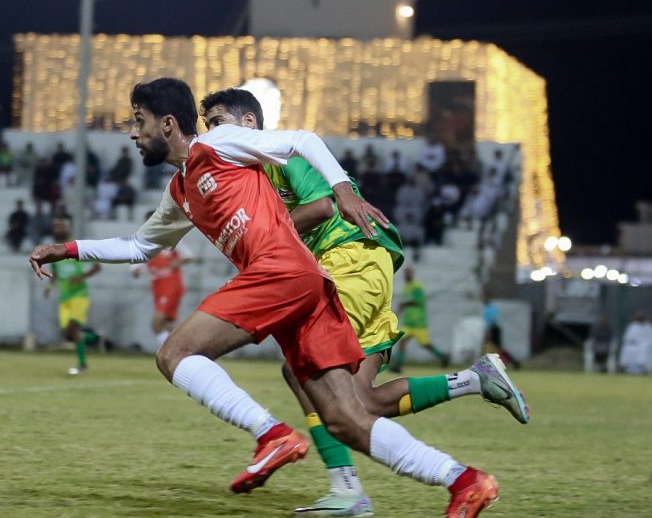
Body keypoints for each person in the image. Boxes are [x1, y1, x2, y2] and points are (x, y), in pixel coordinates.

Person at [30, 78, 501, 516]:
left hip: (281, 270)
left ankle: (271, 435)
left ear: (167, 123)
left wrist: (342, 190)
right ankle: (464, 480)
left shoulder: (217, 143)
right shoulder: (180, 192)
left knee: (174, 354)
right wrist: (67, 250)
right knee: (345, 419)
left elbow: (303, 141)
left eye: (139, 121)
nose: (133, 134)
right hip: (308, 284)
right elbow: (139, 246)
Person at [202, 87, 525, 514]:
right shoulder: (250, 177)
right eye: (206, 126)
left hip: (348, 260)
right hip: (364, 267)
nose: (210, 134)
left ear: (249, 123)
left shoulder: (278, 156)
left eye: (217, 123)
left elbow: (321, 207)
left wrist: (265, 239)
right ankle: (474, 379)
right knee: (361, 402)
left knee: (302, 370)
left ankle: (347, 489)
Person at [43, 214, 102, 375]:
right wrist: (49, 285)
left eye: (62, 226)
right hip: (64, 297)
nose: (59, 229)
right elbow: (55, 272)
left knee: (73, 329)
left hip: (79, 295)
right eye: (57, 227)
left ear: (68, 228)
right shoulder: (53, 251)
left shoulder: (77, 248)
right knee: (67, 335)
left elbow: (97, 267)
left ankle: (83, 366)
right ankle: (95, 338)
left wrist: (80, 277)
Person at [132, 211, 194, 351]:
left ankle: (169, 350)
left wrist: (178, 261)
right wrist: (135, 271)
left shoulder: (170, 237)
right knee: (168, 324)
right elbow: (135, 266)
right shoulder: (143, 242)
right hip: (157, 286)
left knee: (157, 323)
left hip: (172, 284)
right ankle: (179, 350)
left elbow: (188, 256)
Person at [390, 266, 451, 372]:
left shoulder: (417, 286)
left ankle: (442, 357)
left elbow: (419, 301)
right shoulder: (407, 287)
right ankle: (398, 365)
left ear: (412, 274)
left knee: (425, 344)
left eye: (409, 273)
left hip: (419, 322)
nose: (407, 275)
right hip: (409, 322)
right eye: (405, 273)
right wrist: (398, 311)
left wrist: (404, 304)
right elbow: (405, 303)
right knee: (402, 341)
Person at [482, 291, 521, 369]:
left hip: (493, 329)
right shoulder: (487, 308)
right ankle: (488, 364)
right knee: (492, 347)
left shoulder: (490, 308)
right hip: (492, 329)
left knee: (497, 348)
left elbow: (492, 320)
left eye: (484, 297)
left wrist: (488, 332)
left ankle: (513, 362)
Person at [619, 310, 652, 375]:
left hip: (644, 345)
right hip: (633, 345)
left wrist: (642, 343)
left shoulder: (649, 327)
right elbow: (627, 338)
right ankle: (627, 368)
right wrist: (633, 341)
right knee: (627, 348)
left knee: (644, 348)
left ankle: (642, 368)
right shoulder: (632, 326)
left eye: (641, 317)